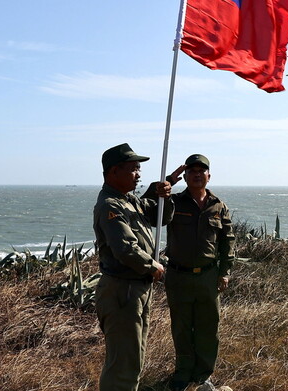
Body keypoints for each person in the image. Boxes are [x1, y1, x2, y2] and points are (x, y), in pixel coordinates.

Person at [94, 143, 183, 391]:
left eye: (139, 169)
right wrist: (153, 266)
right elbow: (125, 248)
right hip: (122, 290)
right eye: (133, 169)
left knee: (134, 357)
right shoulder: (110, 205)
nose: (138, 174)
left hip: (136, 289)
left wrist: (165, 190)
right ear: (114, 171)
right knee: (123, 363)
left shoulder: (128, 200)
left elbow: (160, 217)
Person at [163, 154, 235, 391]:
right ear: (185, 177)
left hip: (207, 276)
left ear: (208, 176)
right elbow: (153, 215)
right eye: (192, 171)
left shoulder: (218, 206)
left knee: (208, 328)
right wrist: (166, 183)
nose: (196, 175)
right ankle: (183, 373)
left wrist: (224, 272)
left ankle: (203, 374)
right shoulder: (173, 202)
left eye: (201, 171)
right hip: (179, 276)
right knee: (182, 328)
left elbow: (227, 241)